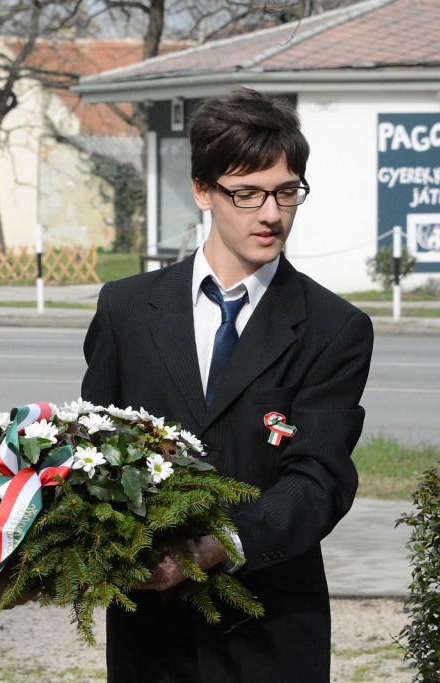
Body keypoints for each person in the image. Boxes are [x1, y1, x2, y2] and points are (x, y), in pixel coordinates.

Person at [81, 88, 374, 682]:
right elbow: (94, 452)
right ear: (202, 189)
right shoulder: (126, 309)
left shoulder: (334, 327)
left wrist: (218, 545)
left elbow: (320, 478)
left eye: (286, 192)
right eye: (247, 193)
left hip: (270, 632)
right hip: (150, 637)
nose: (271, 214)